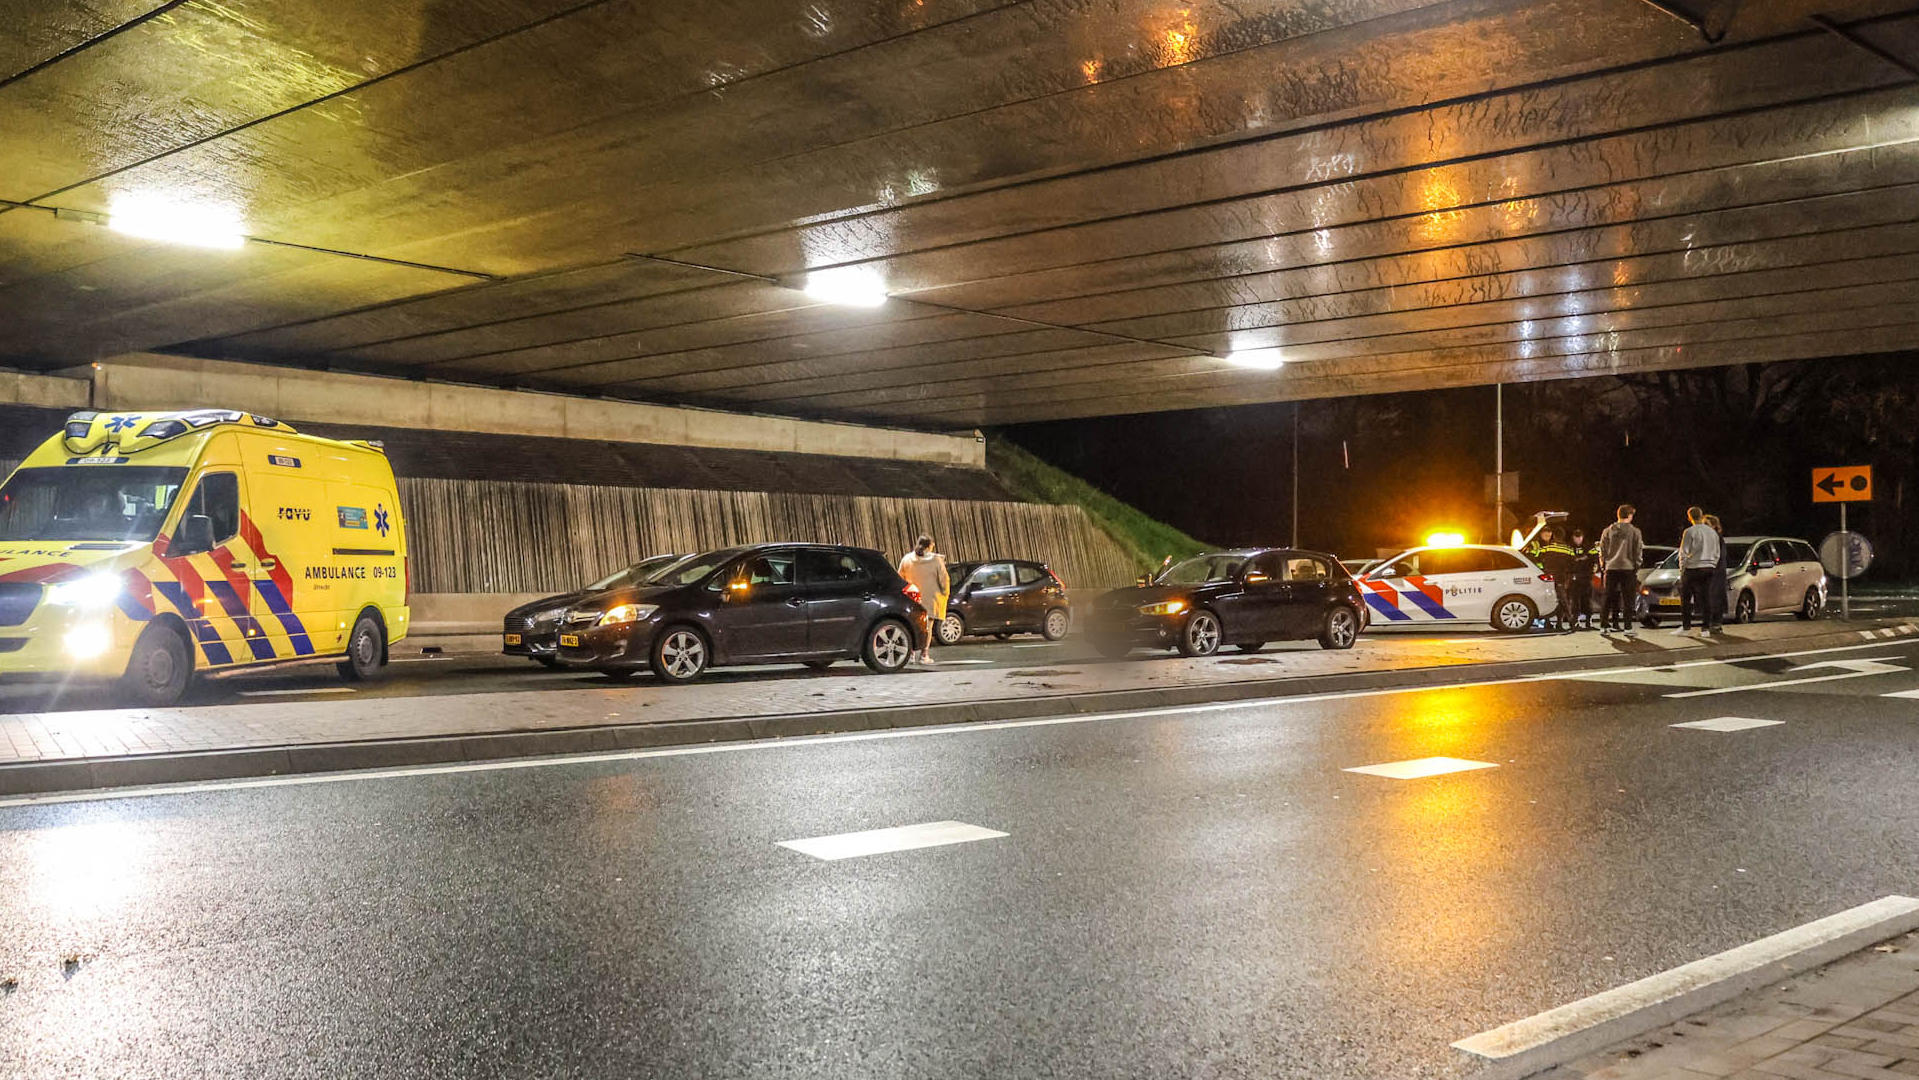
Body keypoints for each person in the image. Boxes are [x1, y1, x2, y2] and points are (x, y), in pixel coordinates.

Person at [897, 534, 950, 664]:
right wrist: (945, 593)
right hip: (930, 599)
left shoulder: (907, 559)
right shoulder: (936, 560)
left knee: (910, 626)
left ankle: (911, 655)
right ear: (929, 546)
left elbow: (900, 578)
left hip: (912, 598)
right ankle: (924, 655)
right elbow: (944, 580)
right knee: (927, 628)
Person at [1598, 504, 1644, 638]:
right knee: (1628, 598)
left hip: (1611, 568)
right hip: (1628, 568)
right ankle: (1628, 627)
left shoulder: (1607, 531)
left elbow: (1602, 550)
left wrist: (1604, 565)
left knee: (1607, 597)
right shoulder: (1635, 531)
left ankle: (1603, 626)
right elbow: (1638, 551)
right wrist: (1637, 565)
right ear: (1630, 516)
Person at [1677, 506, 1721, 635]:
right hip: (1709, 567)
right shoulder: (1712, 532)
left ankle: (1686, 627)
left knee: (1686, 598)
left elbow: (1683, 552)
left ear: (1689, 517)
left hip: (1693, 567)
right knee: (1706, 598)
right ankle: (1706, 628)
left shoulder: (1690, 531)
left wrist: (1682, 568)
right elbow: (1716, 552)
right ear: (1701, 516)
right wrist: (1713, 564)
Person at [1535, 526, 1578, 633]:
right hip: (1562, 578)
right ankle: (1561, 623)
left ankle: (1548, 621)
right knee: (1562, 600)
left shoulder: (1547, 547)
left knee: (1548, 599)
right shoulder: (1568, 549)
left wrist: (1543, 568)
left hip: (1548, 578)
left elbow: (1537, 559)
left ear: (1554, 535)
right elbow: (1573, 565)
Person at [1568, 526, 1598, 630]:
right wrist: (1583, 558)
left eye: (1579, 537)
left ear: (1582, 537)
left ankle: (1588, 622)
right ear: (1573, 538)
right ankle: (1575, 622)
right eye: (1576, 537)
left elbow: (1594, 558)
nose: (1578, 539)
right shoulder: (1570, 547)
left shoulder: (1589, 546)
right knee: (1575, 601)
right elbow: (1569, 561)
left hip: (1586, 578)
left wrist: (1580, 559)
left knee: (1587, 600)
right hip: (1574, 578)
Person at [1705, 513, 1730, 630]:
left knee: (1715, 597)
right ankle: (1711, 622)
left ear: (1714, 526)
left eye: (1706, 524)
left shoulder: (1717, 538)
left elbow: (1720, 556)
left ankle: (1716, 622)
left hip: (1716, 574)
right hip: (1709, 573)